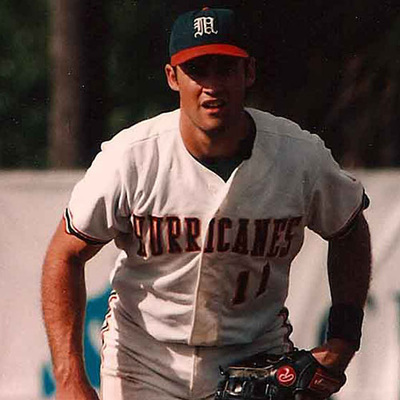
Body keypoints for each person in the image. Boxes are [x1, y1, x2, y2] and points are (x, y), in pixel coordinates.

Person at [41, 7, 372, 400]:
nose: (212, 85)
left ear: (248, 72)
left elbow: (349, 229)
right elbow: (64, 254)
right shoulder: (132, 157)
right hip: (144, 360)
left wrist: (342, 341)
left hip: (255, 359)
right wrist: (69, 377)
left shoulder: (298, 156)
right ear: (172, 77)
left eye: (225, 68)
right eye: (198, 70)